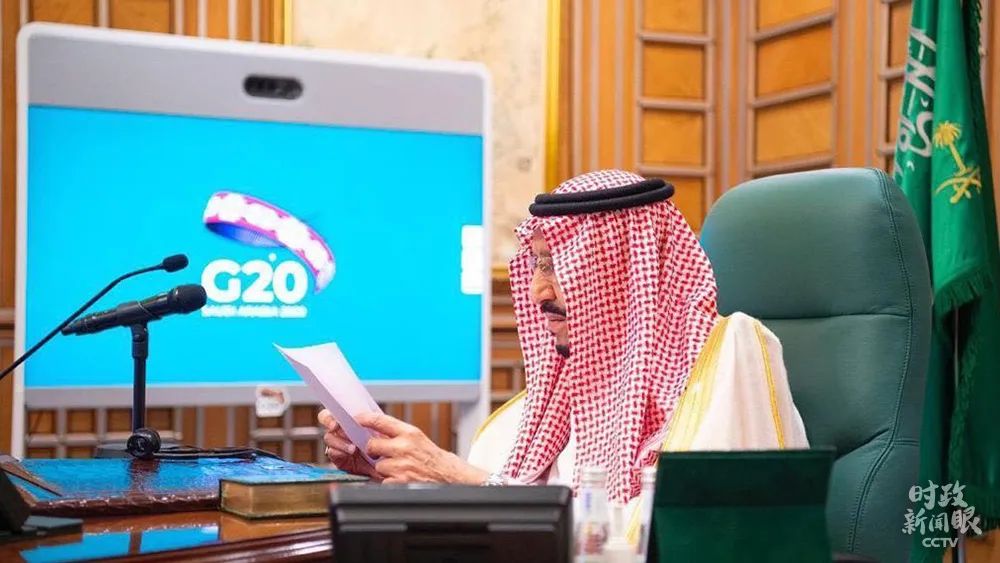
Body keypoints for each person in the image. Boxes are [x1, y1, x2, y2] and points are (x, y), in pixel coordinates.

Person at [319, 169, 808, 512]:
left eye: (557, 266)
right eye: (536, 265)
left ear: (621, 270)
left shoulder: (729, 355)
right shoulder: (540, 408)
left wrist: (456, 477)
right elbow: (492, 512)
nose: (538, 291)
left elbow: (695, 530)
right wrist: (398, 470)